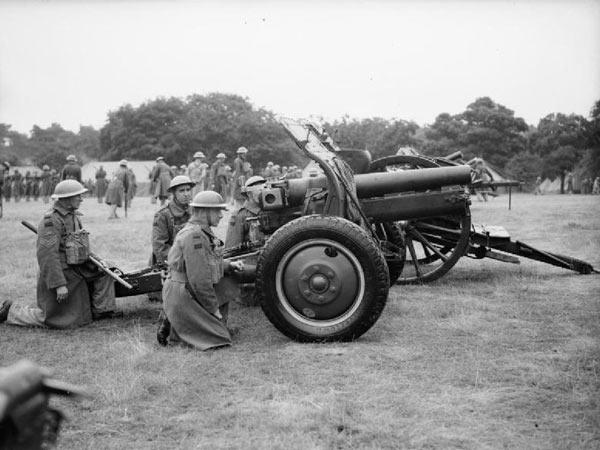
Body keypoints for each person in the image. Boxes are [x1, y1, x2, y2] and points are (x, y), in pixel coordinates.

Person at [0, 180, 118, 329]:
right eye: (78, 196)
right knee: (56, 320)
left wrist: (99, 261)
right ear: (67, 198)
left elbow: (79, 245)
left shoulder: (73, 216)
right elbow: (47, 256)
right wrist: (59, 285)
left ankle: (101, 311)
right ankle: (11, 312)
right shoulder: (51, 221)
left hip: (75, 269)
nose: (82, 199)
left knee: (106, 271)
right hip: (62, 273)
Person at [156, 191, 243, 349]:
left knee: (228, 282)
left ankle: (186, 323)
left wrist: (229, 265)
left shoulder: (200, 231)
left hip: (185, 287)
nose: (221, 216)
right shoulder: (194, 236)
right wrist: (213, 309)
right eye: (217, 211)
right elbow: (199, 279)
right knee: (222, 340)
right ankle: (173, 327)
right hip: (183, 291)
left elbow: (207, 262)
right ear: (205, 212)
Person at [148, 175, 195, 303]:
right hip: (169, 262)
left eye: (188, 190)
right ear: (173, 193)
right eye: (181, 191)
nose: (186, 194)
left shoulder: (195, 211)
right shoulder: (163, 215)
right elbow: (159, 246)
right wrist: (181, 260)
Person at [224, 175, 267, 306]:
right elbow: (231, 250)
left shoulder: (270, 211)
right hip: (250, 270)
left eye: (264, 188)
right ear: (248, 193)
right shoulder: (240, 216)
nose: (263, 192)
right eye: (259, 189)